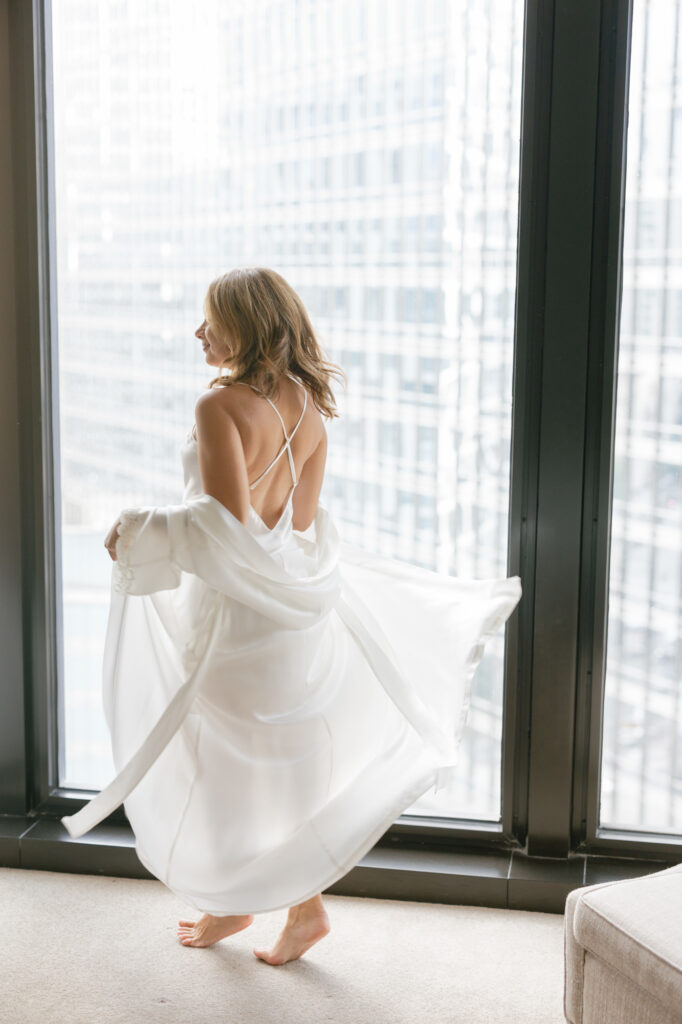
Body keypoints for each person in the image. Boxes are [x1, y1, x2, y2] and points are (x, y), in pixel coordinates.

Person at [61, 267, 522, 967]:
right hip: (289, 613)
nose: (198, 334)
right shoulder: (307, 404)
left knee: (217, 758)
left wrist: (139, 525)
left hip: (234, 616)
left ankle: (260, 903)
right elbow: (299, 526)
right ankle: (276, 906)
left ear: (243, 327)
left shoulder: (218, 409)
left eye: (209, 321)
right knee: (270, 762)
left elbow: (222, 528)